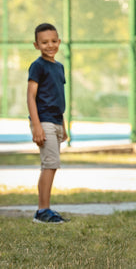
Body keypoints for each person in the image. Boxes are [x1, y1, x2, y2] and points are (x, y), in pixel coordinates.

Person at [27, 23, 69, 223]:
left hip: (56, 122)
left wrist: (64, 126)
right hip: (43, 121)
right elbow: (30, 96)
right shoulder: (38, 66)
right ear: (36, 45)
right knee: (50, 165)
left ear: (59, 42)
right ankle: (43, 210)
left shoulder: (59, 67)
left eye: (53, 41)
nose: (50, 45)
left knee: (51, 165)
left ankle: (45, 209)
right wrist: (36, 125)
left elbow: (58, 98)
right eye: (44, 42)